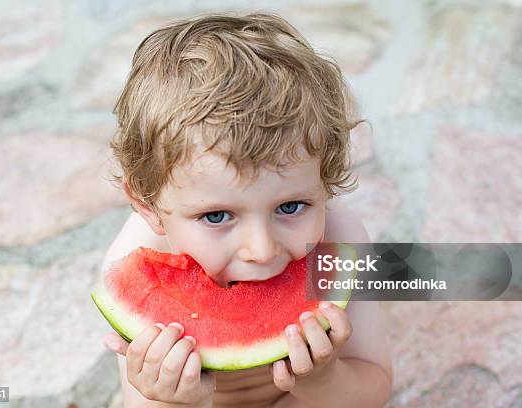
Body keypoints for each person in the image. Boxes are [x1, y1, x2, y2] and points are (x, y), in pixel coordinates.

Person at [100, 12, 393, 407]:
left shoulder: (343, 240)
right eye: (217, 216)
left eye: (290, 206)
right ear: (147, 206)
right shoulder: (132, 263)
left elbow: (374, 385)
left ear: (324, 184)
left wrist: (323, 381)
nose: (262, 249)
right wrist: (167, 399)